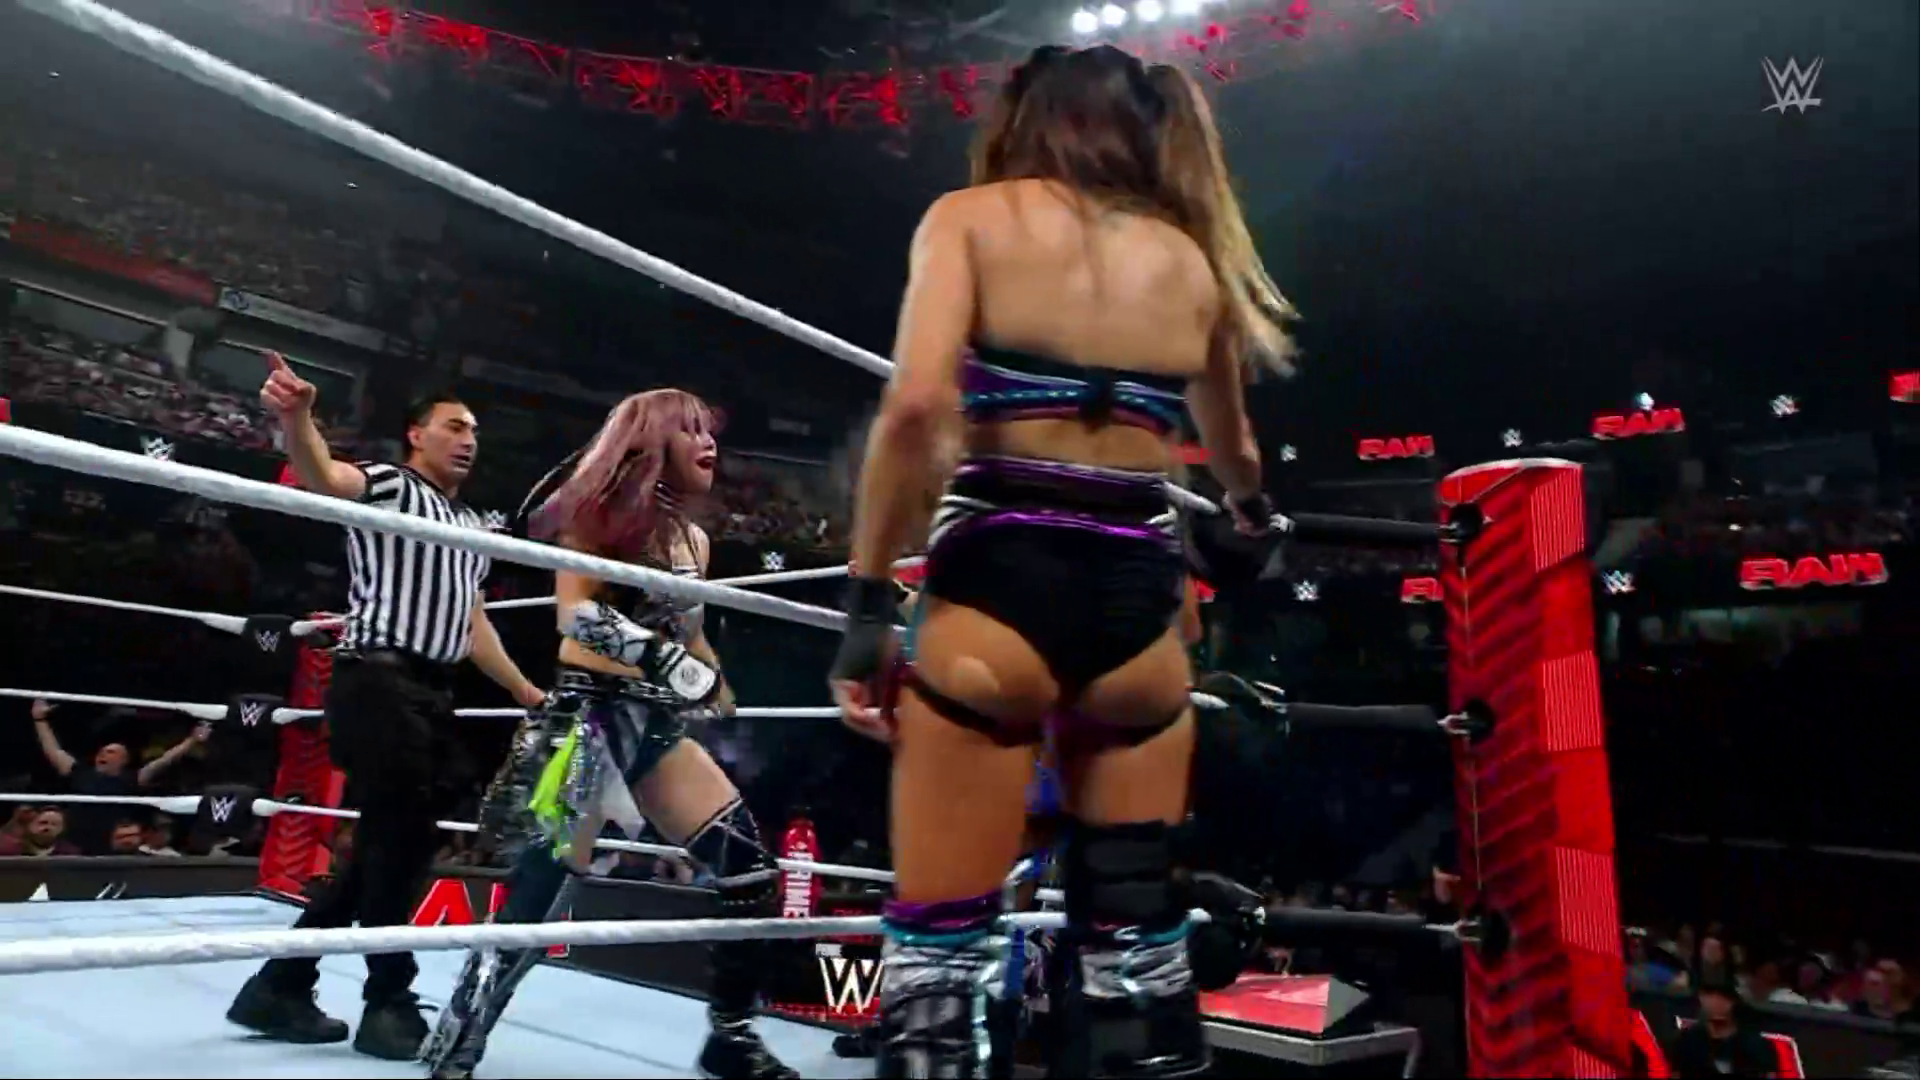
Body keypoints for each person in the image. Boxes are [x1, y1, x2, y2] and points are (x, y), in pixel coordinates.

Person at [829, 44, 1294, 1078]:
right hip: (1139, 617)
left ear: (1026, 117)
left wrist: (865, 604)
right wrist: (1252, 516)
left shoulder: (970, 218)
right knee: (1136, 963)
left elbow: (916, 406)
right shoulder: (1192, 258)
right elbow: (1237, 456)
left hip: (997, 588)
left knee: (938, 966)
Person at [424, 389, 797, 1080]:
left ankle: (730, 1036)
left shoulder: (694, 540)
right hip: (588, 720)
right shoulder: (595, 515)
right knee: (539, 897)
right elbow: (576, 621)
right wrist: (667, 662)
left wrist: (714, 681)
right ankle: (462, 1039)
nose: (709, 444)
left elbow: (690, 632)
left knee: (750, 873)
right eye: (691, 431)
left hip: (655, 726)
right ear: (654, 441)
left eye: (710, 431)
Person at [227, 356, 546, 1060]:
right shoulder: (393, 486)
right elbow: (324, 476)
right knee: (401, 841)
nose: (468, 439)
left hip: (431, 692)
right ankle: (387, 999)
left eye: (475, 431)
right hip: (377, 681)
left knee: (389, 845)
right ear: (416, 434)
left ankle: (281, 984)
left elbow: (472, 622)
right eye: (453, 426)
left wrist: (524, 690)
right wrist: (298, 417)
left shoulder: (469, 525)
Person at [1668, 975, 1777, 1078]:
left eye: (1723, 997)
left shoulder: (1755, 1045)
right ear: (1700, 997)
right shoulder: (1688, 1041)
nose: (1716, 1002)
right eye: (1709, 994)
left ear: (1734, 1001)